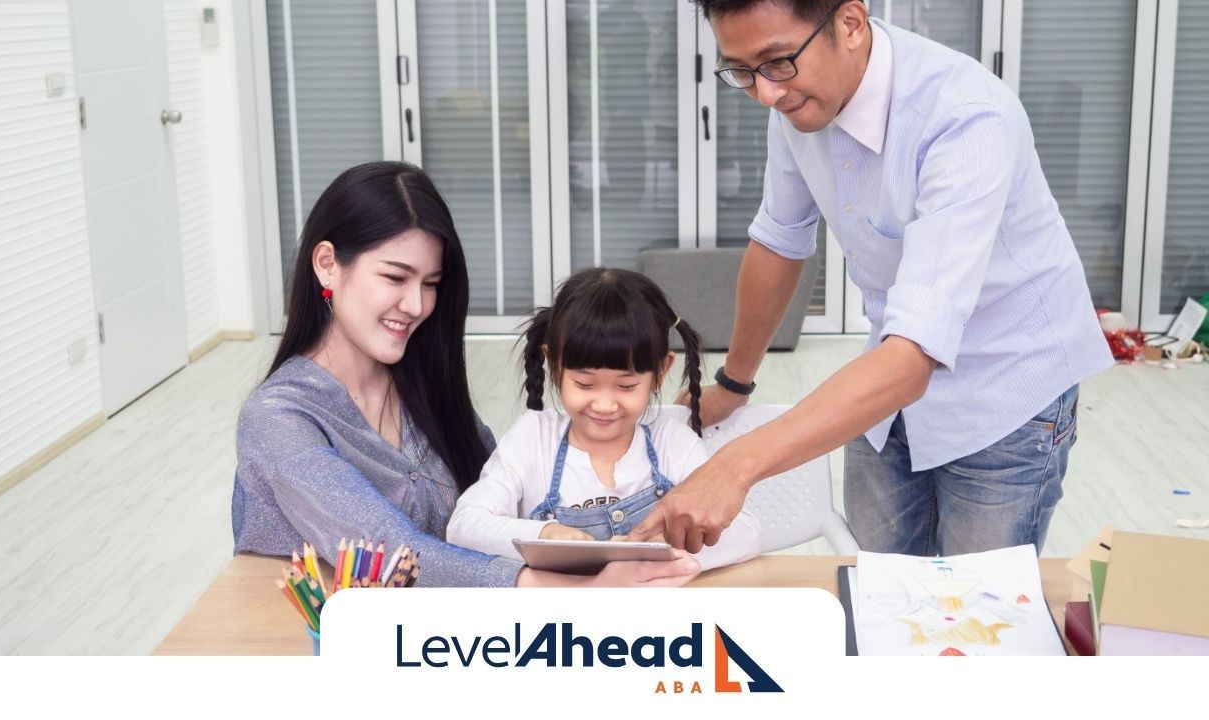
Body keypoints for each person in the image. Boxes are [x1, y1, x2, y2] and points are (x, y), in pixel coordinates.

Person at [629, 0, 1113, 557]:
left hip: (1006, 387)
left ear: (851, 24)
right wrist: (734, 385)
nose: (764, 93)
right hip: (889, 373)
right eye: (741, 70)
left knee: (978, 616)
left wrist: (736, 467)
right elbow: (779, 242)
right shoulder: (795, 98)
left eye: (776, 61)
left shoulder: (967, 117)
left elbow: (913, 357)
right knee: (881, 588)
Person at [232, 161, 700, 587]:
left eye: (430, 284)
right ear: (328, 265)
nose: (416, 305)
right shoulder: (278, 417)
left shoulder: (424, 387)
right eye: (395, 278)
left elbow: (504, 510)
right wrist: (574, 590)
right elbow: (388, 549)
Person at [447, 267, 761, 571]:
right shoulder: (532, 439)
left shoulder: (672, 443)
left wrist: (662, 544)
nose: (605, 404)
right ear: (554, 366)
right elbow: (464, 525)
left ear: (660, 372)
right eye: (584, 384)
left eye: (626, 386)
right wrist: (545, 534)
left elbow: (746, 531)